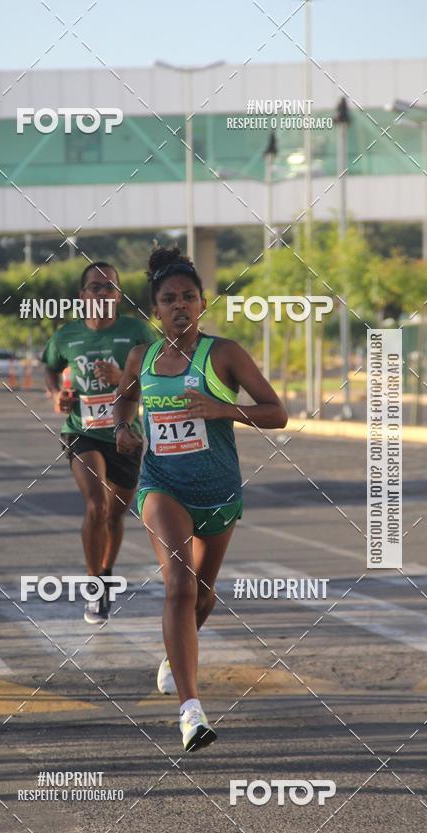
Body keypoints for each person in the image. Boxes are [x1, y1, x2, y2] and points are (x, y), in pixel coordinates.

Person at [112, 246, 287, 752]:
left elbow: (277, 412)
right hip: (162, 485)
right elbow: (125, 397)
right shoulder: (141, 358)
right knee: (179, 590)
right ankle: (191, 712)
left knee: (203, 595)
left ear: (203, 303)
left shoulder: (224, 353)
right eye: (169, 299)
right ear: (156, 310)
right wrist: (124, 428)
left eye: (189, 296)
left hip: (220, 492)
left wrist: (222, 408)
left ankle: (174, 655)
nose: (180, 305)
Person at [43, 261, 155, 624]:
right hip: (82, 430)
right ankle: (94, 587)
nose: (102, 293)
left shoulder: (136, 331)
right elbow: (49, 365)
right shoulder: (66, 336)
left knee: (115, 513)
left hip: (125, 433)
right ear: (82, 296)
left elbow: (159, 370)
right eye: (95, 287)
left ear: (119, 295)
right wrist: (55, 392)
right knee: (96, 506)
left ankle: (105, 571)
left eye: (109, 287)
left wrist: (124, 376)